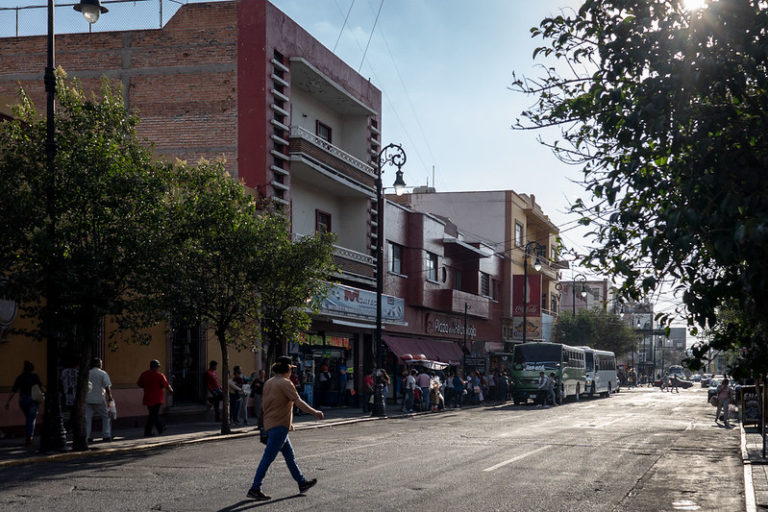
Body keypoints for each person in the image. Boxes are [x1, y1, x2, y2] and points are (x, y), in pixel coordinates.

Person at [247, 356, 324, 501]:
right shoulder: (285, 383)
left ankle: (302, 482)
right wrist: (315, 412)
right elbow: (298, 401)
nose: (291, 371)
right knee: (267, 458)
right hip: (280, 426)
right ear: (287, 368)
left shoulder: (269, 382)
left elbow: (265, 405)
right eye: (291, 369)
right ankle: (254, 488)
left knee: (290, 456)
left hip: (271, 424)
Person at [5, 361, 44, 446]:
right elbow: (41, 388)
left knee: (28, 418)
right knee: (31, 419)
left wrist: (8, 402)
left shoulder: (20, 377)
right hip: (33, 399)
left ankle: (28, 436)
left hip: (23, 400)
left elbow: (13, 390)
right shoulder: (34, 377)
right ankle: (29, 437)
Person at [137, 360, 173, 436]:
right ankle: (150, 431)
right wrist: (171, 391)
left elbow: (139, 384)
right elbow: (166, 385)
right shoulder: (160, 375)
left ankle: (159, 428)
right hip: (157, 398)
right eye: (158, 367)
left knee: (152, 414)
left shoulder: (144, 374)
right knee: (154, 415)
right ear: (156, 367)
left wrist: (146, 386)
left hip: (148, 398)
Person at [86, 357, 114, 442]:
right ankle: (106, 435)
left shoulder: (87, 373)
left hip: (88, 399)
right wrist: (110, 398)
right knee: (106, 417)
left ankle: (86, 436)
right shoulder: (103, 373)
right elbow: (107, 386)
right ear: (100, 365)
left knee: (87, 418)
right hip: (99, 399)